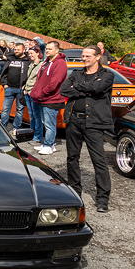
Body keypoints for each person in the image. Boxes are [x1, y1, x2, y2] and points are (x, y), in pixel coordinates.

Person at [60, 45, 115, 213]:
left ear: (98, 57)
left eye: (88, 56)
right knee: (72, 157)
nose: (84, 58)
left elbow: (98, 89)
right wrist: (84, 88)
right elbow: (64, 90)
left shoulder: (107, 75)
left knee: (98, 160)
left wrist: (78, 88)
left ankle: (102, 198)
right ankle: (75, 191)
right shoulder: (76, 73)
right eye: (83, 56)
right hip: (74, 121)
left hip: (94, 123)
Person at [31, 41, 68, 155]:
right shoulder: (47, 62)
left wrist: (41, 93)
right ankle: (47, 143)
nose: (47, 51)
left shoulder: (60, 63)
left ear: (57, 50)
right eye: (46, 49)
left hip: (52, 99)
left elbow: (55, 83)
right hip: (43, 99)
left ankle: (49, 145)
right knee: (44, 122)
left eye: (50, 49)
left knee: (49, 124)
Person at [0, 43, 30, 130]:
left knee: (19, 110)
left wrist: (25, 87)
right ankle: (3, 128)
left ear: (23, 50)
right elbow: (4, 72)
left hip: (21, 89)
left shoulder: (27, 60)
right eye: (15, 49)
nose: (16, 51)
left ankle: (16, 128)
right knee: (5, 110)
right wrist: (4, 84)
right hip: (9, 88)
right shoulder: (10, 59)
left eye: (18, 50)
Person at [23, 47, 45, 147]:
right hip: (27, 92)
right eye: (29, 54)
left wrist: (34, 91)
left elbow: (40, 81)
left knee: (37, 116)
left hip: (34, 93)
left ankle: (37, 137)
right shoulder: (31, 64)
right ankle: (32, 134)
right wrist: (24, 88)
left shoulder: (42, 65)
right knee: (32, 116)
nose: (30, 55)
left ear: (37, 53)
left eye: (32, 53)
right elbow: (29, 78)